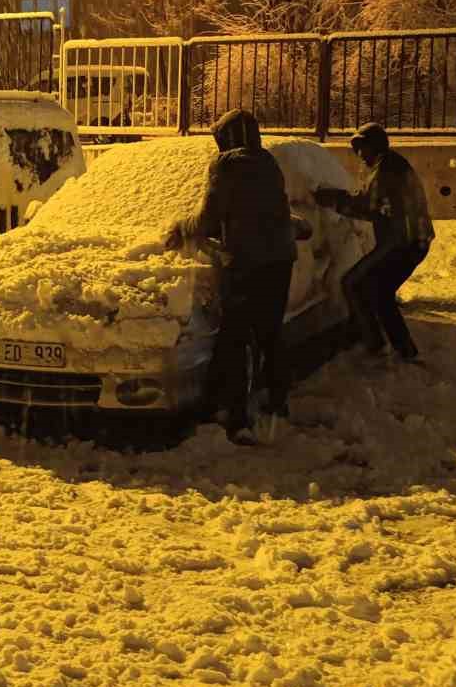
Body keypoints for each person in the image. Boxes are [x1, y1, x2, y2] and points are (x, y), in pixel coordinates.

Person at [165, 109, 308, 444]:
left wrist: (181, 227)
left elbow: (208, 219)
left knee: (234, 337)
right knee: (270, 333)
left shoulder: (226, 165)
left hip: (247, 263)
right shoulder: (268, 162)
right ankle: (277, 402)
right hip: (280, 259)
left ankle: (236, 417)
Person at [314, 123, 435, 360]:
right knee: (378, 291)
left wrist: (332, 199)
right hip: (410, 241)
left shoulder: (385, 170)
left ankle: (377, 344)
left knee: (354, 283)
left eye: (361, 148)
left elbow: (367, 205)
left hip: (402, 243)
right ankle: (397, 348)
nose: (359, 155)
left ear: (373, 147)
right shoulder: (392, 163)